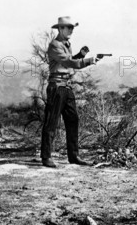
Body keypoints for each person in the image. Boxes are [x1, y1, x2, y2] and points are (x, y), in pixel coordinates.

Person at [40, 16, 100, 168]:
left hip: (66, 87)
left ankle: (73, 156)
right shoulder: (55, 45)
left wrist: (80, 56)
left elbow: (68, 62)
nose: (71, 30)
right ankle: (46, 157)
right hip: (57, 87)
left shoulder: (66, 44)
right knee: (51, 122)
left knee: (73, 121)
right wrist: (87, 61)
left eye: (72, 28)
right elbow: (67, 62)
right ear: (60, 29)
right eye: (68, 27)